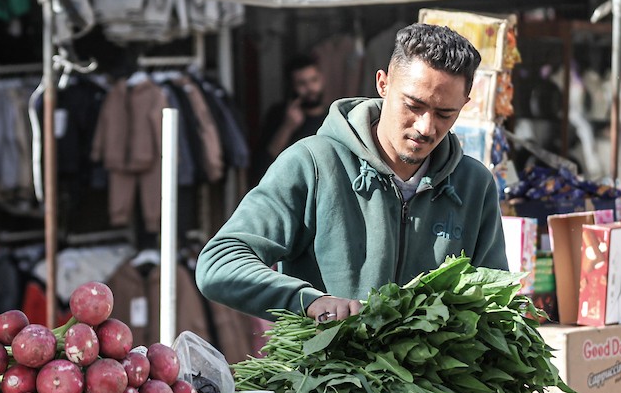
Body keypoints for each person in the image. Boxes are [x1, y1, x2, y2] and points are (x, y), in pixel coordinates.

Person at [196, 23, 508, 323]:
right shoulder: (312, 164)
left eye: (444, 113)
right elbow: (220, 262)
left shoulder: (474, 185)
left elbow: (494, 302)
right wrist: (308, 301)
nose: (426, 127)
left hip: (432, 379)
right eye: (414, 105)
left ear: (464, 105)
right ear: (383, 84)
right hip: (327, 375)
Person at [251, 53, 329, 186]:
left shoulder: (333, 116)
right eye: (302, 84)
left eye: (313, 80)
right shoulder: (279, 115)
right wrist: (287, 127)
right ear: (292, 86)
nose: (310, 88)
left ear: (321, 80)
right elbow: (262, 166)